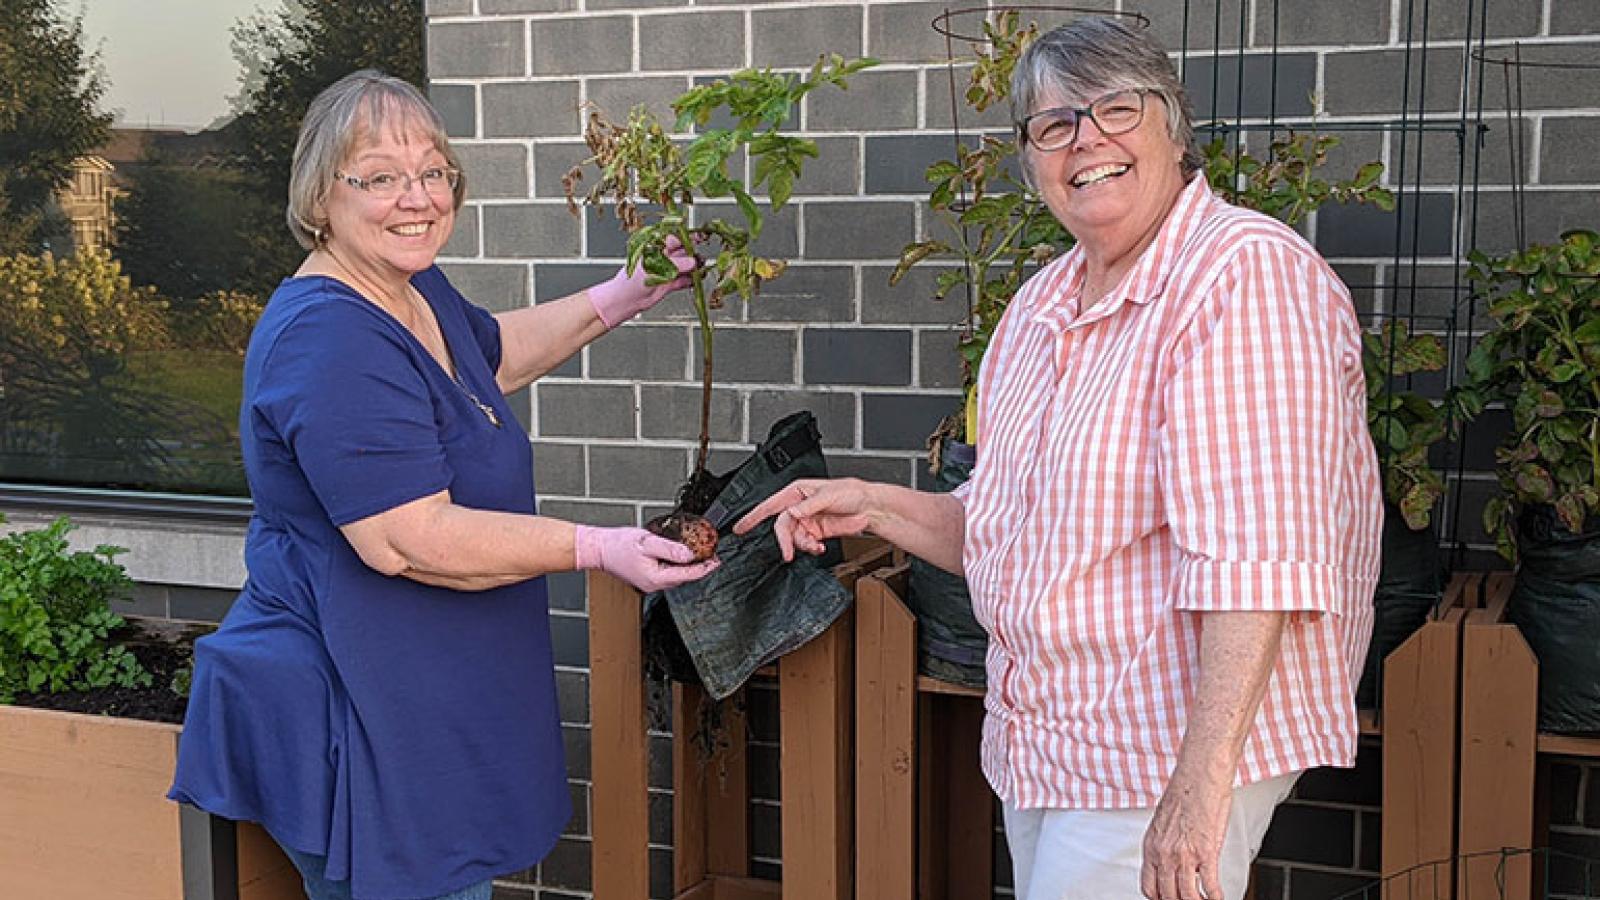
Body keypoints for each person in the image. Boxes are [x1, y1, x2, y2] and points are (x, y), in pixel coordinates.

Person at [736, 17, 1379, 900]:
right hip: (1052, 743)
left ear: (1174, 127)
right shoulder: (1041, 306)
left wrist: (1200, 786)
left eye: (1117, 109)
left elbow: (1257, 560)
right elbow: (1011, 530)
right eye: (1055, 124)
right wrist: (873, 505)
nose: (1087, 140)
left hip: (1157, 752)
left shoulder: (1242, 278)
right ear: (1031, 157)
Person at [168, 70, 719, 900]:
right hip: (351, 707)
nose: (417, 197)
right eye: (380, 176)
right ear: (321, 198)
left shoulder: (409, 285)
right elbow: (408, 539)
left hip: (415, 693)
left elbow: (488, 359)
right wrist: (597, 547)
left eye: (433, 171)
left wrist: (624, 295)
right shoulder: (329, 338)